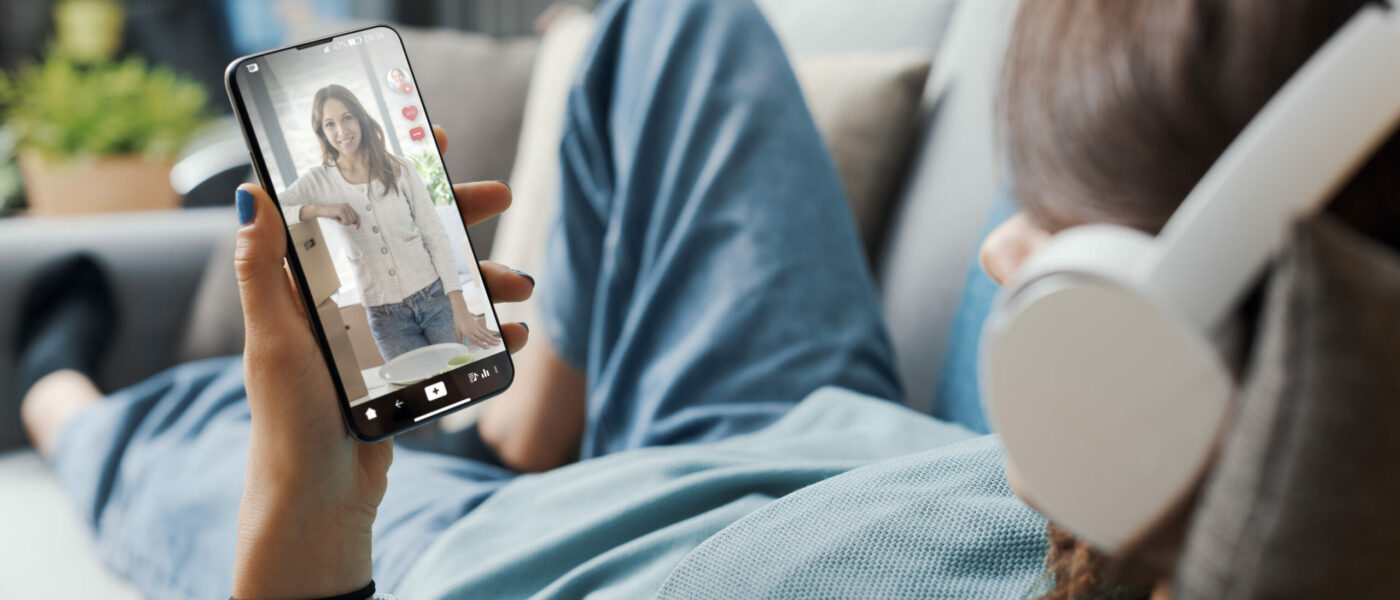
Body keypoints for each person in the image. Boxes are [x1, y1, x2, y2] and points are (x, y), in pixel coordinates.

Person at [13, 0, 1398, 598]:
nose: (994, 257)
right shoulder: (1147, 477)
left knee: (196, 421)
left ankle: (55, 388)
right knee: (673, 18)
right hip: (823, 427)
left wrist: (297, 501)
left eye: (1052, 228)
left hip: (489, 559)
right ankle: (520, 428)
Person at [280, 84, 500, 362]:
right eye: (330, 124)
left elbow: (436, 236)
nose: (341, 131)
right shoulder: (318, 180)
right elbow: (270, 209)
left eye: (347, 117)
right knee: (416, 395)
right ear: (322, 131)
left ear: (360, 118)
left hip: (435, 299)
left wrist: (459, 306)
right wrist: (318, 209)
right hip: (386, 317)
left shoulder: (401, 168)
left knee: (465, 375)